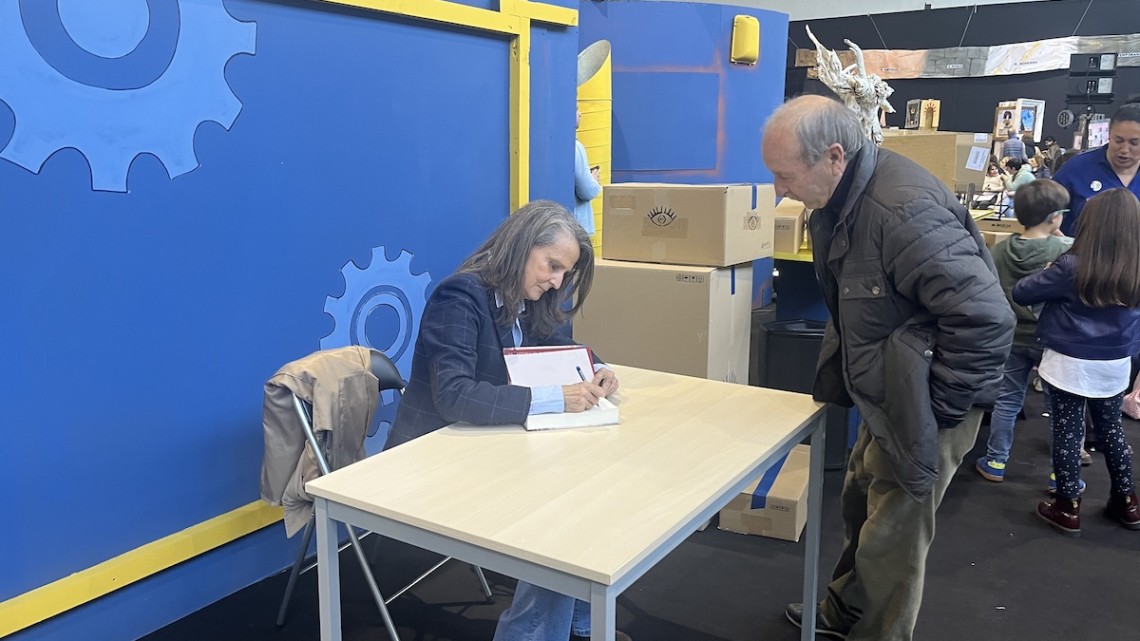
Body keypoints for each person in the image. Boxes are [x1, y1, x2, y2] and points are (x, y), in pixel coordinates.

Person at [761, 95, 1014, 641]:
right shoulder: (845, 195)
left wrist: (937, 408)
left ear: (833, 156)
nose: (779, 191)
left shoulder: (902, 210)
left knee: (893, 536)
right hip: (892, 390)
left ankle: (878, 634)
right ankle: (843, 611)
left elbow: (988, 319)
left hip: (924, 399)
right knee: (860, 502)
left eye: (784, 176)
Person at [385, 201, 627, 641]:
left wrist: (596, 369)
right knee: (563, 508)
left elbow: (558, 347)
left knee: (586, 483)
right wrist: (557, 397)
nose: (556, 281)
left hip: (491, 446)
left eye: (563, 273)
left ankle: (578, 624)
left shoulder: (532, 298)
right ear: (520, 248)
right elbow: (456, 397)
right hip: (431, 460)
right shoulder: (459, 298)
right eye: (552, 266)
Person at [1012, 188, 1140, 536]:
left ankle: (1067, 506)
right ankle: (1127, 501)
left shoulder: (1071, 267)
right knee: (1112, 430)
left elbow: (1022, 292)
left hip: (1069, 362)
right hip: (1116, 364)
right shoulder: (1136, 268)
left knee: (1068, 433)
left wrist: (1050, 269)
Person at [975, 180, 1073, 483]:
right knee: (1060, 409)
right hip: (1052, 340)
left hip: (1011, 337)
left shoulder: (1000, 252)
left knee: (1007, 400)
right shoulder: (1066, 249)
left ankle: (996, 461)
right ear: (1054, 217)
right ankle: (1061, 474)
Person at [1052, 103, 1140, 235]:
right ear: (1109, 135)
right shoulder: (1076, 168)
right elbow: (1042, 212)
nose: (1124, 149)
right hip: (1081, 253)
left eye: (1134, 143)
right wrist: (1061, 243)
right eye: (1118, 140)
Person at [574, 109, 602, 235]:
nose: (581, 113)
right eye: (576, 109)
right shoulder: (576, 147)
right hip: (577, 226)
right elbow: (586, 190)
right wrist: (594, 181)